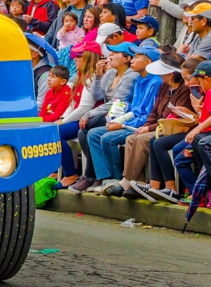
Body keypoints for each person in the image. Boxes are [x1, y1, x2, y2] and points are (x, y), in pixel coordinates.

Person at [104, 50, 189, 198]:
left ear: (170, 74)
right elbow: (155, 110)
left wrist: (148, 128)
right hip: (158, 127)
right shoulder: (164, 87)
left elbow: (173, 118)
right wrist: (146, 126)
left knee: (144, 139)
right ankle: (138, 182)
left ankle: (128, 181)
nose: (160, 76)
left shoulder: (184, 90)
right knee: (132, 138)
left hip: (174, 128)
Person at [88, 43, 160, 196]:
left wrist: (122, 124)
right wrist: (119, 120)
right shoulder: (140, 79)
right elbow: (135, 109)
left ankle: (118, 179)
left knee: (108, 139)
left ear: (148, 62)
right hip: (131, 122)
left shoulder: (155, 82)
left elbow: (147, 115)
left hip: (142, 126)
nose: (133, 60)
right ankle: (105, 178)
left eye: (137, 57)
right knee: (93, 134)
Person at [69, 42, 139, 193]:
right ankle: (97, 175)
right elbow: (97, 96)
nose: (110, 56)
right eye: (110, 53)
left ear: (127, 58)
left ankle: (90, 176)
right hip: (109, 114)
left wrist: (88, 114)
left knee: (89, 126)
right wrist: (98, 75)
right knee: (82, 132)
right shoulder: (111, 73)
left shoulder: (131, 75)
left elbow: (117, 103)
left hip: (123, 115)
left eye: (115, 53)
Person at [57, 42, 102, 187]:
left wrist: (63, 123)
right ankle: (56, 170)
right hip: (77, 119)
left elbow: (84, 108)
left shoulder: (92, 78)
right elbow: (72, 104)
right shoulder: (80, 77)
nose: (74, 59)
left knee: (55, 134)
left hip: (88, 120)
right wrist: (62, 119)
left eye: (79, 56)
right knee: (52, 130)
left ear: (88, 58)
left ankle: (70, 173)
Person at [172, 59, 211, 198]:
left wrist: (197, 129)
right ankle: (196, 192)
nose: (198, 85)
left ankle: (201, 194)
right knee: (179, 157)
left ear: (206, 79)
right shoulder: (206, 94)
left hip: (204, 137)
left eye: (199, 82)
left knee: (196, 149)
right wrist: (197, 109)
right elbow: (204, 116)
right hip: (202, 135)